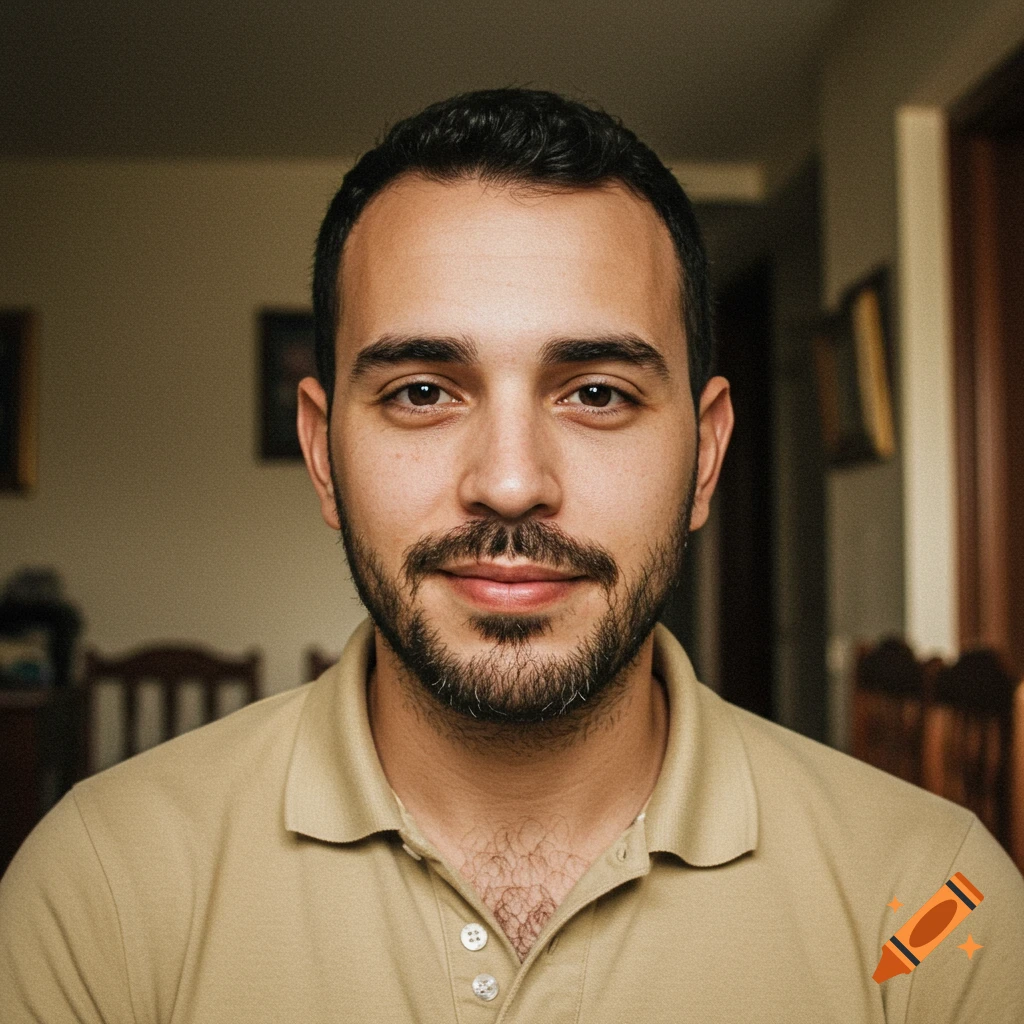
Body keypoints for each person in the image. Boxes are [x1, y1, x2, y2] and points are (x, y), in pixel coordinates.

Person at [1, 89, 1022, 1023]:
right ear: (323, 454)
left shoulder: (930, 903)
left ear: (704, 457)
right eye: (422, 391)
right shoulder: (102, 889)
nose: (508, 480)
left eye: (595, 392)